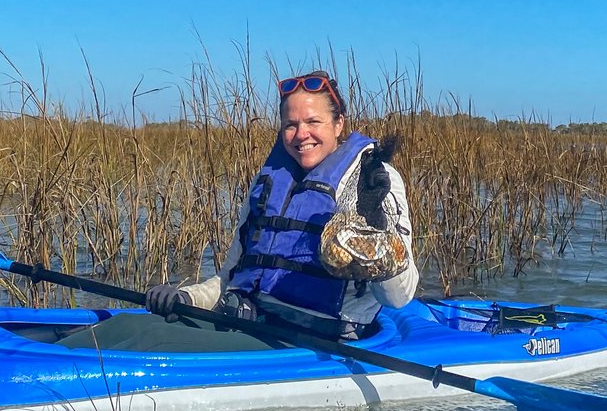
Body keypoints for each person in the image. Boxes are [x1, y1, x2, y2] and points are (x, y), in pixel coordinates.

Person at [145, 70, 418, 340]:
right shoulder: (268, 180)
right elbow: (228, 277)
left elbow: (398, 297)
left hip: (322, 343)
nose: (301, 135)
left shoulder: (373, 179)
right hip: (254, 323)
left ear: (338, 124)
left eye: (313, 121)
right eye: (291, 125)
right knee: (130, 330)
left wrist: (376, 228)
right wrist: (185, 297)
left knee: (149, 340)